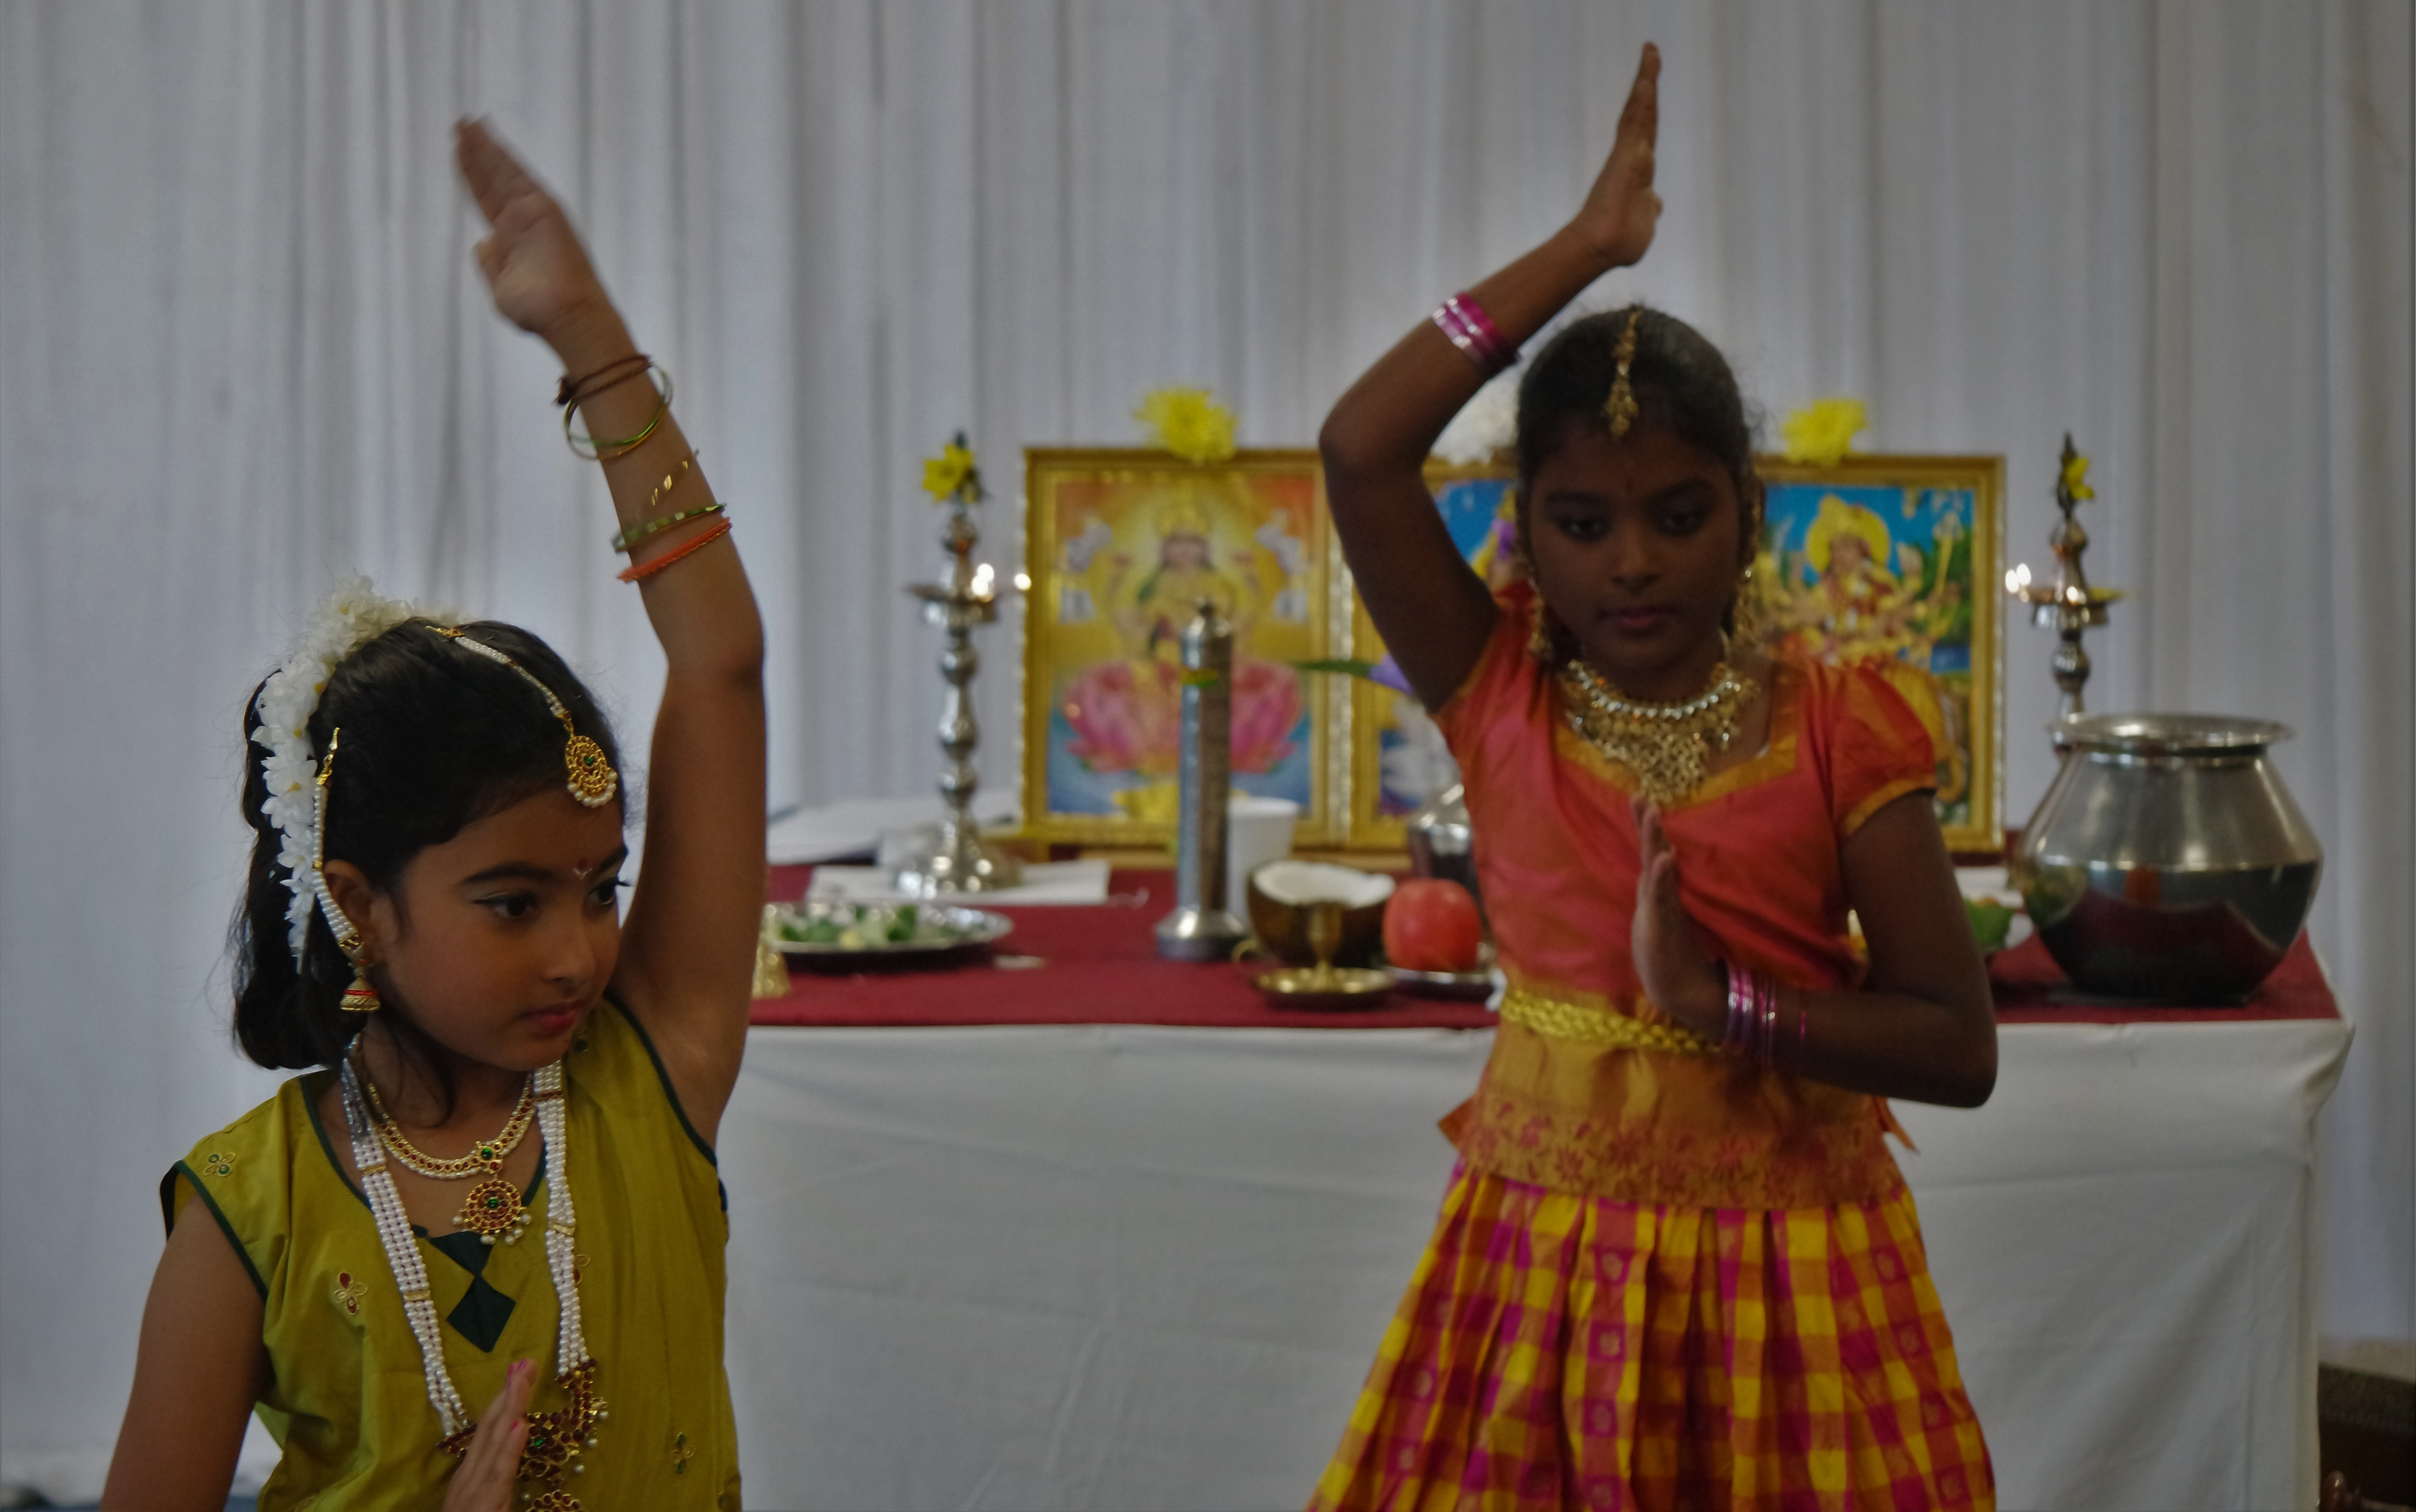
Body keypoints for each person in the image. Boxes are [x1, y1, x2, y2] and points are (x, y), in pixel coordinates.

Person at [1310, 44, 1997, 1511]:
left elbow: (1957, 1042)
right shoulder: (1493, 686)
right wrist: (1582, 249)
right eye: (1582, 520)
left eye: (1679, 515)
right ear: (1526, 533)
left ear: (1747, 518)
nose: (1630, 560)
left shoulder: (1835, 727)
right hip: (1541, 1281)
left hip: (1794, 1277)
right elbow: (1360, 450)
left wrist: (1724, 1008)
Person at [100, 121, 764, 1512]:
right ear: (357, 901)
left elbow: (716, 664)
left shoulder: (653, 1077)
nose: (582, 950)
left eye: (601, 885)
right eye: (514, 902)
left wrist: (594, 343)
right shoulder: (252, 1211)